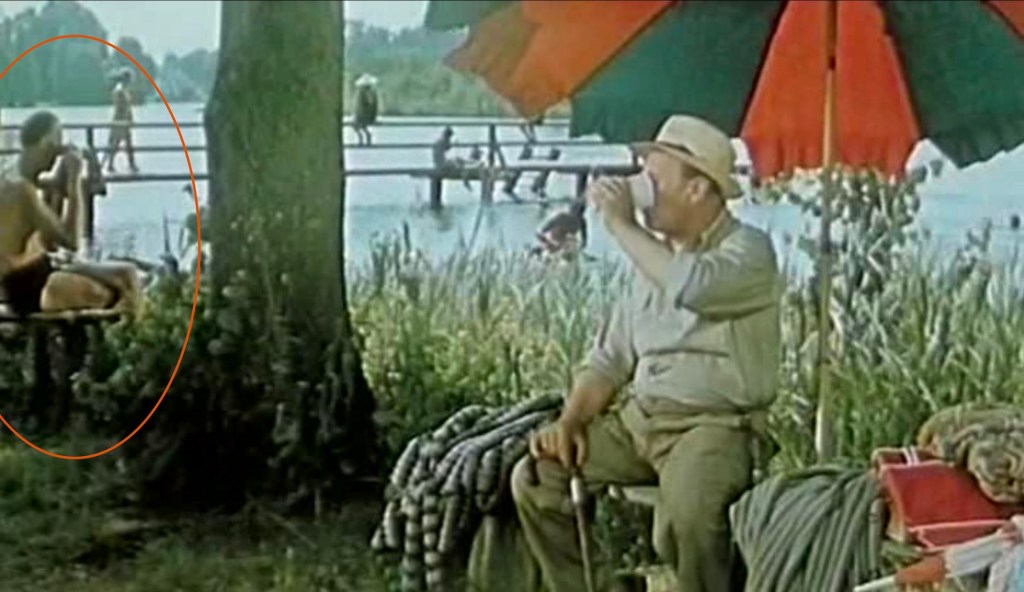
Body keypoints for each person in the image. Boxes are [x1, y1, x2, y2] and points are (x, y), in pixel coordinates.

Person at [512, 115, 783, 592]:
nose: (643, 189)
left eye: (654, 179)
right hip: (641, 422)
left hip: (715, 425)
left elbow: (693, 287)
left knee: (691, 517)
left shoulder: (748, 251)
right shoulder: (650, 261)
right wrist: (570, 423)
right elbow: (608, 360)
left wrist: (618, 223)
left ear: (698, 189)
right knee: (537, 477)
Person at [0, 111, 142, 317]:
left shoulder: (17, 180)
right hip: (29, 288)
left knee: (129, 274)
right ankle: (124, 341)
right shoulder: (21, 191)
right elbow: (72, 242)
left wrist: (56, 187)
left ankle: (126, 340)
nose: (59, 150)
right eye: (57, 141)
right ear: (46, 142)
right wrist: (74, 182)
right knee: (114, 293)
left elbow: (46, 240)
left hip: (42, 270)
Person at [102, 70, 139, 174]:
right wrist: (124, 119)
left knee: (126, 143)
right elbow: (121, 107)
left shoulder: (123, 90)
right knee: (116, 143)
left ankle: (129, 164)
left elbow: (128, 107)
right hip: (120, 120)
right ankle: (109, 164)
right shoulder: (120, 90)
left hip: (123, 120)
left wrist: (130, 118)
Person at [353, 74, 379, 146]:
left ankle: (364, 138)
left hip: (365, 115)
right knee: (357, 126)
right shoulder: (370, 92)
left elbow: (367, 105)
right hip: (366, 115)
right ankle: (365, 137)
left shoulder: (366, 92)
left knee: (356, 125)